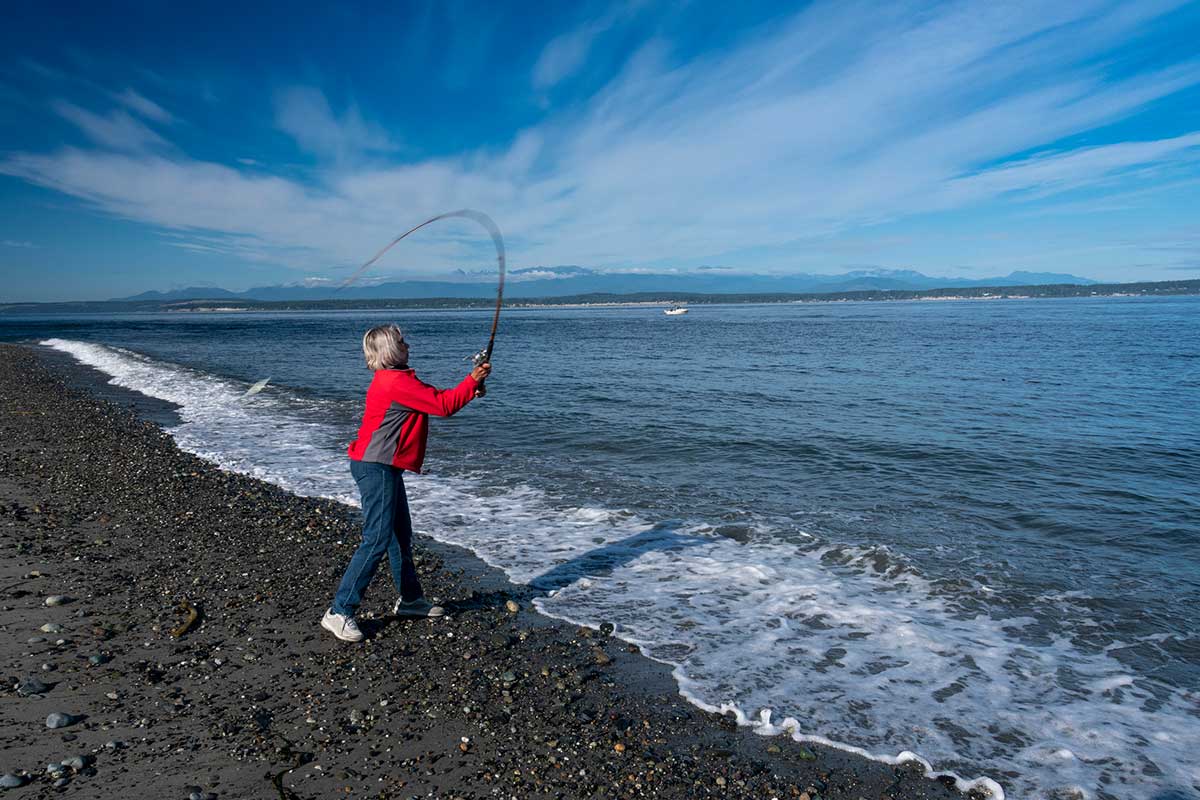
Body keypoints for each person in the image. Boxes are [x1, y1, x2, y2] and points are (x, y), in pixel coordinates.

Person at [322, 323, 491, 642]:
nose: (407, 343)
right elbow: (443, 406)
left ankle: (411, 600)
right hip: (376, 466)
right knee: (376, 538)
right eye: (401, 340)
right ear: (389, 349)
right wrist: (473, 380)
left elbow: (439, 398)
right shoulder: (394, 383)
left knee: (400, 535)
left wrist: (471, 387)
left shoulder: (398, 379)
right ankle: (339, 610)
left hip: (380, 464)